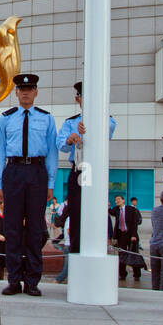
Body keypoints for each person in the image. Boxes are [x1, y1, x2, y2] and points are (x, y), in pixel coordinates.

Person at [0, 72, 58, 296]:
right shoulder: (5, 118)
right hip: (13, 172)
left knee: (34, 229)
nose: (26, 94)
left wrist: (51, 183)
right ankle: (13, 279)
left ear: (36, 93)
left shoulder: (47, 118)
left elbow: (52, 153)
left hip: (37, 172)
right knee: (11, 227)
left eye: (30, 90)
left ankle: (32, 281)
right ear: (16, 93)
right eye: (22, 90)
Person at [56, 80, 116, 254]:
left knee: (96, 210)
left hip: (95, 168)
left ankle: (97, 248)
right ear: (78, 100)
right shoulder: (71, 122)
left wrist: (92, 124)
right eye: (83, 97)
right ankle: (75, 250)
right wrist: (71, 138)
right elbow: (60, 143)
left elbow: (110, 128)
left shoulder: (106, 119)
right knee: (76, 211)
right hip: (79, 168)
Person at [110, 193, 143, 283]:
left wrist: (133, 235)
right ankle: (122, 274)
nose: (117, 201)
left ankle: (136, 274)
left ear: (123, 200)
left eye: (118, 199)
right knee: (122, 254)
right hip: (121, 235)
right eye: (116, 200)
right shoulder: (116, 210)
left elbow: (134, 223)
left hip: (131, 234)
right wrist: (108, 206)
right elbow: (110, 212)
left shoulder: (130, 209)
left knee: (133, 254)